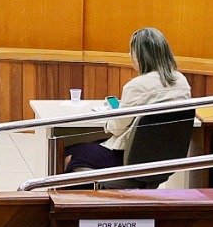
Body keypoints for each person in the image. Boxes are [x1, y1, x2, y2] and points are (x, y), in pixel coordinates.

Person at [63, 27, 191, 172]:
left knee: (70, 154)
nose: (130, 55)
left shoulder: (136, 86)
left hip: (130, 158)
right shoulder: (182, 81)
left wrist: (110, 119)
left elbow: (117, 128)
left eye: (132, 52)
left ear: (141, 57)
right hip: (167, 157)